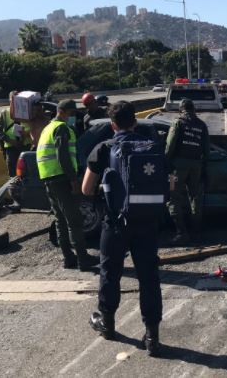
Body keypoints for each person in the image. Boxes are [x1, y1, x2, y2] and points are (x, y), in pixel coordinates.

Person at [82, 100, 163, 356]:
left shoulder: (104, 148)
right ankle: (152, 334)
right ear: (135, 122)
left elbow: (86, 188)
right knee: (148, 276)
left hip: (116, 222)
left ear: (113, 124)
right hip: (148, 222)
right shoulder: (152, 147)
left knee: (110, 272)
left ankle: (107, 323)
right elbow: (168, 187)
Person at [36, 99, 98, 271]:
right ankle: (83, 260)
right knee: (74, 221)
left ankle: (69, 259)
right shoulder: (61, 128)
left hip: (49, 179)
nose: (72, 117)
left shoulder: (47, 128)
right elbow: (63, 156)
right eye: (71, 113)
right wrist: (73, 179)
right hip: (62, 178)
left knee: (60, 221)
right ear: (62, 111)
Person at [165, 98, 210, 245]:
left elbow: (170, 145)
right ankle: (196, 233)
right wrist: (203, 166)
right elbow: (207, 150)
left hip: (176, 168)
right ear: (193, 109)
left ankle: (181, 233)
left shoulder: (178, 123)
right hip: (196, 166)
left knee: (173, 197)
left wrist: (166, 162)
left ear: (181, 109)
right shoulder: (202, 125)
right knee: (195, 198)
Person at [0, 91, 31, 177]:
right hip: (11, 148)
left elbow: (35, 128)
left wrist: (26, 135)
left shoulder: (28, 112)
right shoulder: (4, 113)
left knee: (28, 172)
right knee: (13, 174)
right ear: (10, 100)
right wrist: (11, 141)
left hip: (25, 146)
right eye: (13, 99)